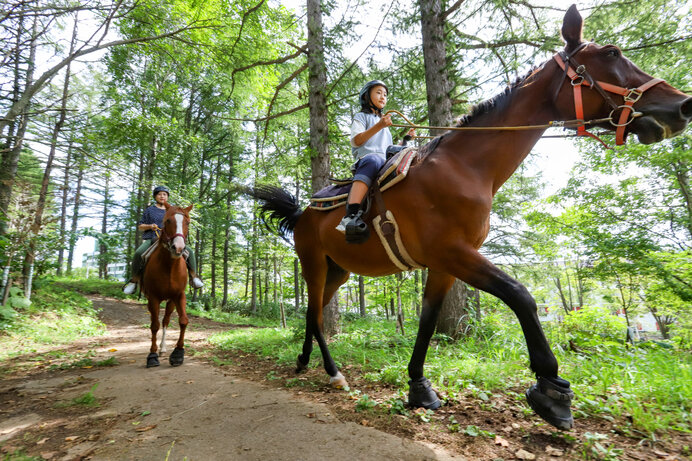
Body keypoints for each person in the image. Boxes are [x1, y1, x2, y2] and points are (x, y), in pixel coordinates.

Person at [336, 80, 414, 243]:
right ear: (366, 96)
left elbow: (389, 149)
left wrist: (406, 140)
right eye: (378, 92)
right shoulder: (361, 117)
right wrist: (379, 126)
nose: (382, 96)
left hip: (384, 160)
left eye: (385, 94)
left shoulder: (384, 126)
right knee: (373, 159)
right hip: (367, 159)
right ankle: (350, 215)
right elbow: (356, 140)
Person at [123, 186, 204, 294]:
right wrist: (150, 226)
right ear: (155, 196)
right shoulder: (150, 210)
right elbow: (140, 226)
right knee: (138, 253)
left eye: (164, 194)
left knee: (190, 252)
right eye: (159, 194)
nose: (162, 196)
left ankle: (194, 277)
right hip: (152, 238)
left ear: (167, 197)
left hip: (169, 239)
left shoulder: (172, 211)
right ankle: (134, 281)